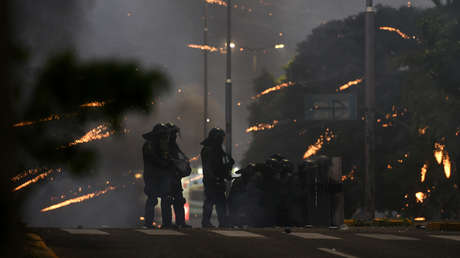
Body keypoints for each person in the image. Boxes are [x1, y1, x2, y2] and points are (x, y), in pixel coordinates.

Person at [142, 123, 176, 229]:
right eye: (163, 134)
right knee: (152, 198)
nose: (165, 137)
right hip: (152, 176)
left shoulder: (165, 145)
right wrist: (165, 162)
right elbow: (153, 159)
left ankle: (167, 223)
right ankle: (148, 223)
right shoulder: (149, 145)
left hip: (163, 176)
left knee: (166, 199)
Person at [200, 128, 234, 228]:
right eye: (220, 138)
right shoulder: (208, 150)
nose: (222, 140)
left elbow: (226, 162)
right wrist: (213, 178)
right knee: (210, 201)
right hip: (211, 181)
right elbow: (208, 167)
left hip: (218, 179)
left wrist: (226, 174)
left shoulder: (218, 150)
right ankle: (206, 222)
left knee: (221, 202)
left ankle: (223, 222)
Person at [164, 122, 192, 228]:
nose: (175, 136)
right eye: (173, 134)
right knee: (168, 200)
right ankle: (167, 223)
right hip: (168, 178)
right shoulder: (165, 146)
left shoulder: (174, 146)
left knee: (179, 200)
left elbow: (181, 157)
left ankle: (180, 221)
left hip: (175, 177)